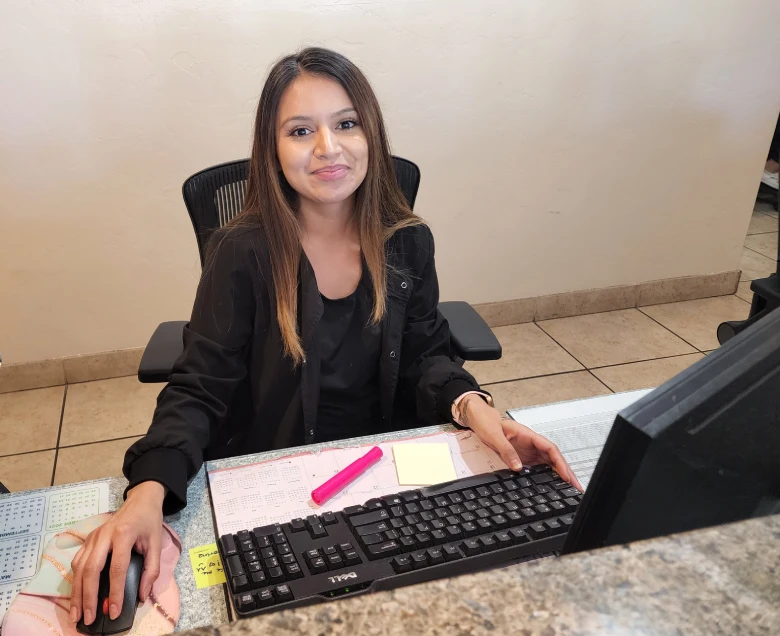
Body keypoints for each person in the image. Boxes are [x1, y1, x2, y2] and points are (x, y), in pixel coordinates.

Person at [69, 47, 582, 628]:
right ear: (272, 149)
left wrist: (474, 405)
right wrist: (146, 495)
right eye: (300, 131)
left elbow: (425, 353)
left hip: (382, 475)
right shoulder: (242, 253)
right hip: (277, 477)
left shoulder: (406, 241)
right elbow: (199, 389)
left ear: (372, 133)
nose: (327, 148)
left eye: (345, 124)